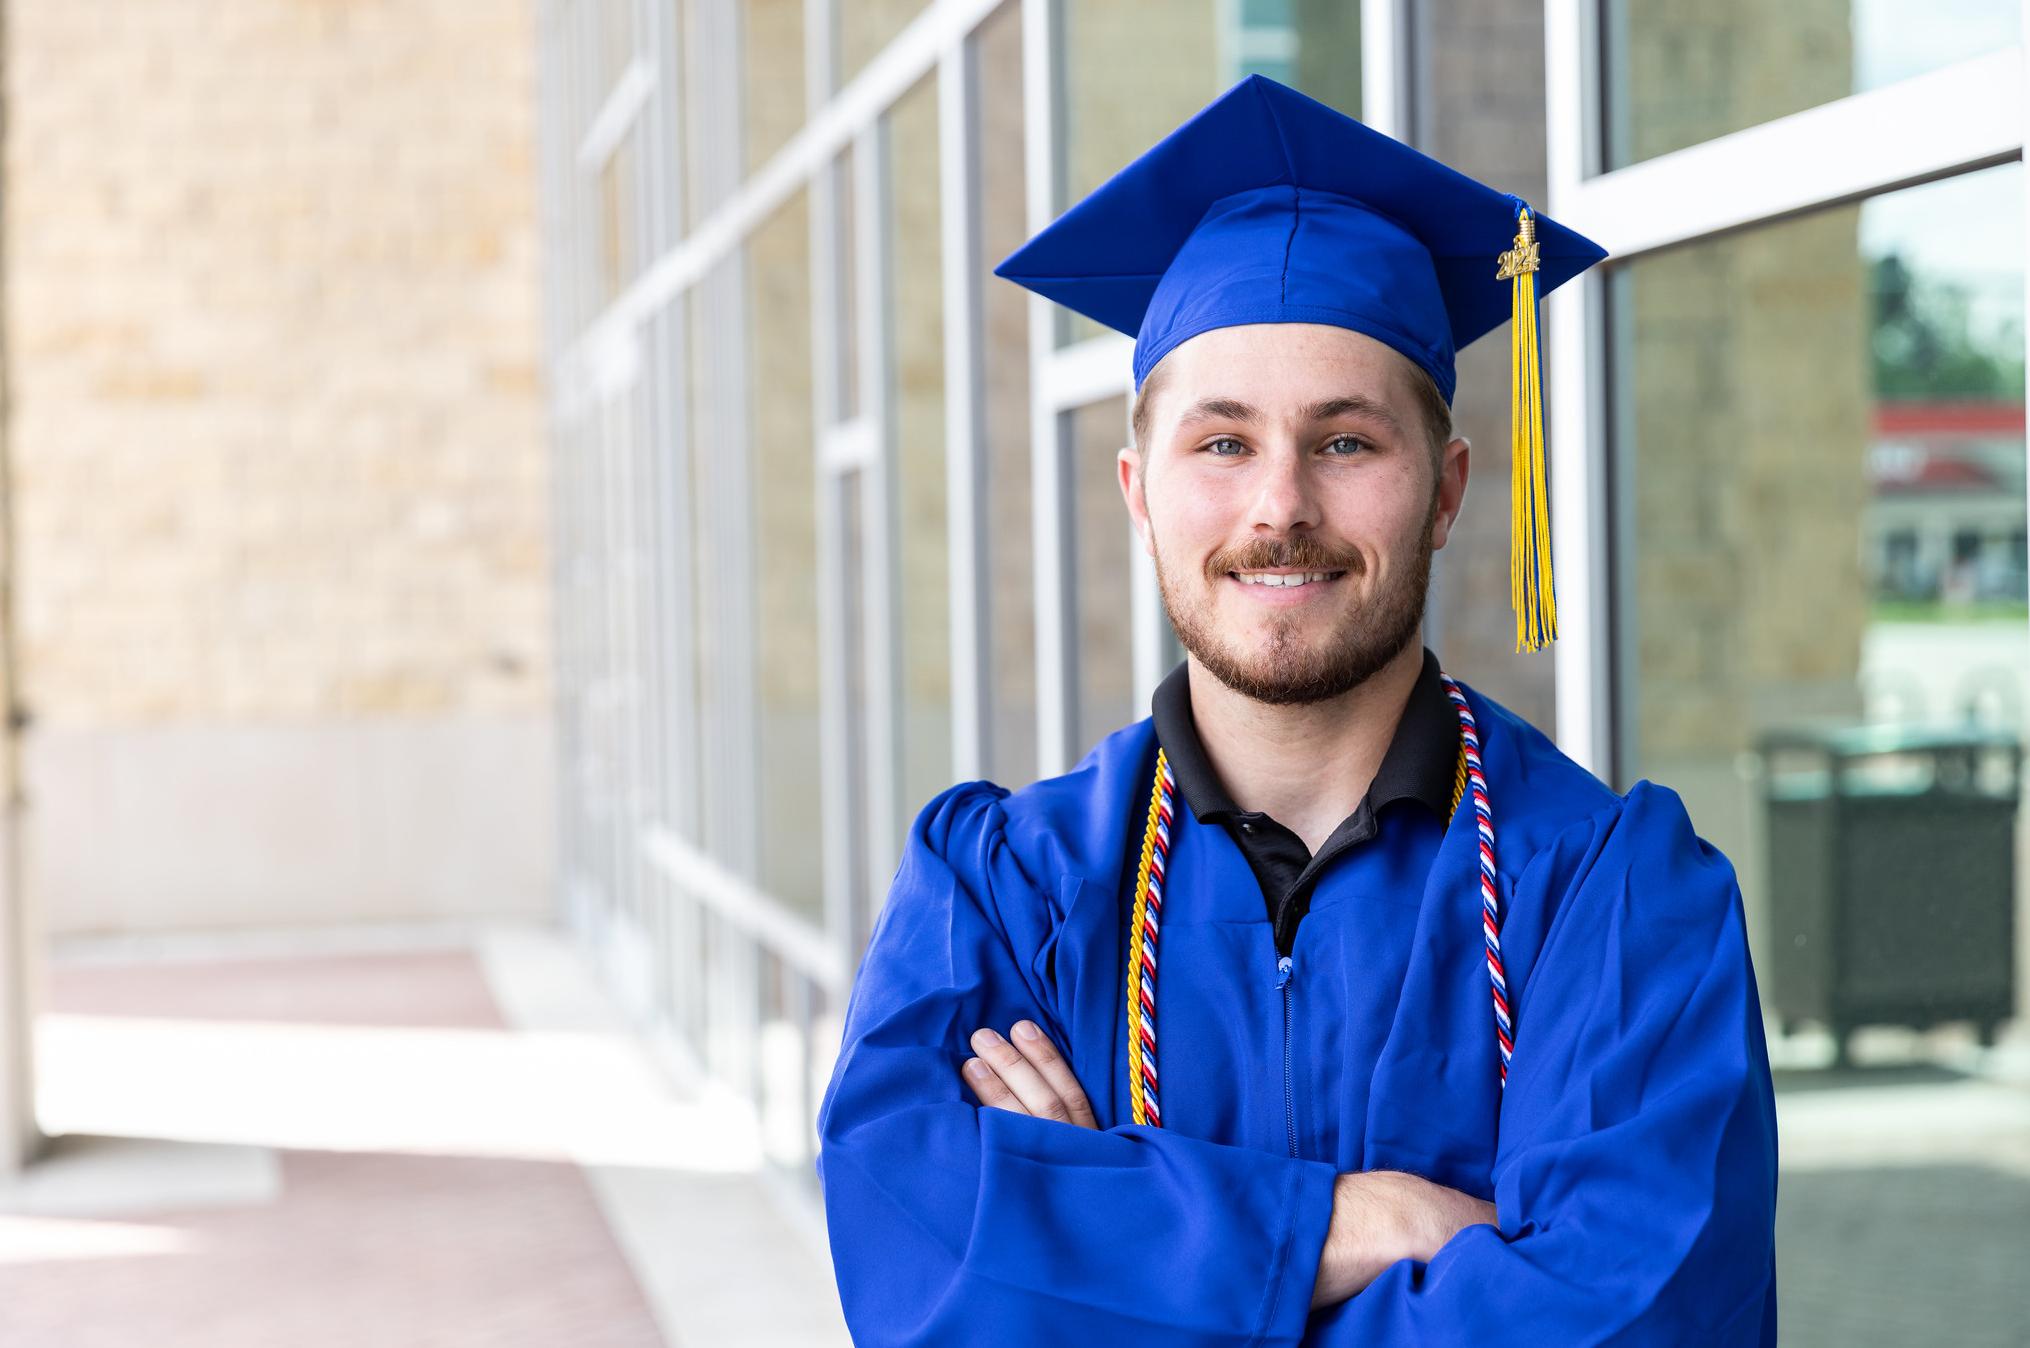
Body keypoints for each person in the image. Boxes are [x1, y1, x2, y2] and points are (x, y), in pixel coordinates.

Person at [815, 74, 1778, 1345]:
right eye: (1220, 445)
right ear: (1138, 492)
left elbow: (1634, 1318)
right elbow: (918, 1263)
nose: (1278, 508)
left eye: (1343, 443)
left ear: (1442, 491)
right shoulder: (1005, 890)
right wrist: (1358, 1225)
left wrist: (1093, 1242)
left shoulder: (1611, 897)